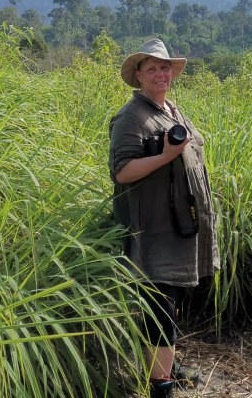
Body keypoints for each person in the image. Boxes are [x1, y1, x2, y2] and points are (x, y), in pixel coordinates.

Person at [108, 38, 219, 398]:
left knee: (172, 297)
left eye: (165, 67)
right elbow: (122, 171)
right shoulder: (132, 116)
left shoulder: (171, 109)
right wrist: (166, 155)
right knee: (160, 305)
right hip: (153, 227)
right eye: (152, 67)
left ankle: (167, 366)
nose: (160, 73)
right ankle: (160, 385)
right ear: (138, 75)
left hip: (181, 223)